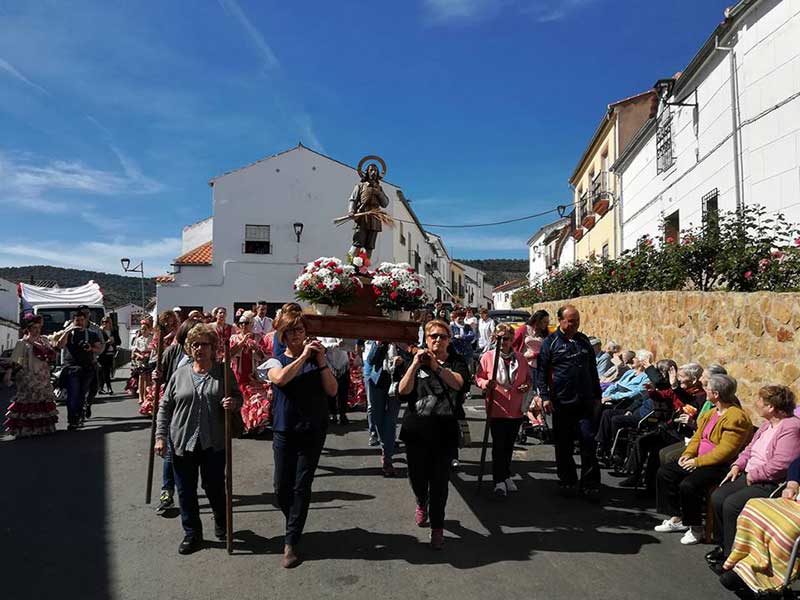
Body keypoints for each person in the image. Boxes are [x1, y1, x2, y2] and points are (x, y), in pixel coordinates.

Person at [155, 324, 241, 555]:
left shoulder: (223, 372)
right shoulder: (180, 374)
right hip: (182, 441)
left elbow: (238, 396)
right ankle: (192, 533)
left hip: (214, 441)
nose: (200, 348)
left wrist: (233, 403)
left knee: (214, 487)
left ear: (213, 348)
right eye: (195, 345)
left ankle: (221, 521)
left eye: (204, 344)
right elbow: (165, 407)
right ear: (189, 348)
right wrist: (160, 437)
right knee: (185, 490)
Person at [262, 311, 337, 568]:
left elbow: (332, 390)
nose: (297, 335)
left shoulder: (317, 361)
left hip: (313, 430)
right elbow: (281, 379)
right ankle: (294, 520)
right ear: (283, 336)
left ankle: (291, 541)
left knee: (301, 485)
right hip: (284, 429)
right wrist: (303, 357)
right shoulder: (275, 361)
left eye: (301, 330)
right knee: (281, 487)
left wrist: (321, 360)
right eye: (292, 331)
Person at [654, 374, 752, 545]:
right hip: (699, 459)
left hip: (719, 465)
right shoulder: (711, 413)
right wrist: (688, 455)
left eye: (708, 388)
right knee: (665, 473)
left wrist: (697, 462)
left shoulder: (736, 417)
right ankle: (677, 517)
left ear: (716, 394)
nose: (705, 390)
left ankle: (696, 527)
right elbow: (697, 437)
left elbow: (726, 451)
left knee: (689, 485)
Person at [706, 385, 800, 560]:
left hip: (769, 482)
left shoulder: (791, 427)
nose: (756, 403)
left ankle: (733, 556)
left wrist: (753, 475)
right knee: (718, 497)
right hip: (750, 474)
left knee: (732, 504)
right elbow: (749, 449)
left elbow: (781, 464)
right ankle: (724, 545)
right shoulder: (767, 424)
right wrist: (737, 465)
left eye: (760, 400)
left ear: (771, 407)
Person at [398, 319, 469, 550]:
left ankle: (437, 527)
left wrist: (436, 366)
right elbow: (402, 391)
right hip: (416, 432)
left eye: (443, 336)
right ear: (426, 339)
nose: (438, 340)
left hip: (444, 433)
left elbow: (459, 384)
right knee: (417, 478)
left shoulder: (457, 362)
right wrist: (414, 365)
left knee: (439, 483)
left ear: (449, 340)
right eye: (433, 336)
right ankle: (421, 500)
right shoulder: (414, 360)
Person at [536, 305, 602, 496]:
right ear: (561, 321)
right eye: (571, 321)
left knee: (588, 441)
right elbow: (541, 373)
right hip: (562, 402)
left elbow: (593, 370)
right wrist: (545, 397)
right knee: (564, 445)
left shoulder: (583, 341)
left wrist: (597, 396)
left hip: (585, 402)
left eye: (577, 321)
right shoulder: (551, 343)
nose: (575, 324)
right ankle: (567, 480)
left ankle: (590, 484)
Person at [720, 455, 800, 594]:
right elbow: (796, 463)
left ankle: (775, 579)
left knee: (788, 528)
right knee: (753, 506)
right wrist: (792, 485)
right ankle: (746, 563)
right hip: (795, 500)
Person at [476, 323, 532, 497]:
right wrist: (486, 384)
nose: (503, 342)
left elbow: (529, 379)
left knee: (509, 446)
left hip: (515, 408)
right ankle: (498, 480)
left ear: (512, 339)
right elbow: (478, 377)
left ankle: (506, 475)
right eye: (499, 338)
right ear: (494, 338)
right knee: (499, 446)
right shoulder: (488, 357)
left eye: (506, 338)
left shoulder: (521, 358)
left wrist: (526, 385)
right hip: (497, 408)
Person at [154, 319, 201, 514]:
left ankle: (189, 488)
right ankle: (167, 490)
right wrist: (157, 376)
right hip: (176, 408)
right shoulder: (173, 351)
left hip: (198, 411)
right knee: (171, 452)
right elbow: (161, 373)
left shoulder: (206, 352)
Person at [4, 315, 58, 437]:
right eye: (34, 328)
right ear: (28, 329)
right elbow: (16, 361)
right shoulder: (22, 343)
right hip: (28, 377)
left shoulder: (44, 340)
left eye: (39, 327)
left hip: (43, 376)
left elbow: (52, 355)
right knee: (28, 402)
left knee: (42, 401)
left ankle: (43, 428)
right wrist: (9, 374)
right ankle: (27, 430)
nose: (37, 330)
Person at [54, 311, 103, 429]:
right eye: (77, 320)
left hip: (87, 368)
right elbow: (59, 345)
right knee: (72, 394)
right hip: (72, 368)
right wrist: (67, 331)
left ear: (86, 321)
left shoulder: (91, 334)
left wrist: (91, 348)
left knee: (81, 394)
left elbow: (99, 349)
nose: (79, 323)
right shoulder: (69, 334)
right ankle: (72, 420)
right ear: (73, 321)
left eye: (82, 320)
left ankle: (79, 415)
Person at [366, 341, 408, 477]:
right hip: (377, 382)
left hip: (396, 383)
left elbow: (411, 359)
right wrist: (380, 344)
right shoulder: (379, 340)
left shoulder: (403, 341)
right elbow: (371, 360)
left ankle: (387, 457)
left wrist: (402, 361)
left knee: (390, 421)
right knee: (377, 419)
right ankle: (385, 446)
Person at [230, 311, 271, 434]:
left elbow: (264, 356)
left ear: (252, 324)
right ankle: (242, 426)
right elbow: (230, 353)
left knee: (256, 399)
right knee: (242, 400)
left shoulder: (258, 337)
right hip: (238, 374)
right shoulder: (234, 338)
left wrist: (256, 348)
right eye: (241, 323)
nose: (243, 325)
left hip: (253, 374)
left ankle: (255, 424)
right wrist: (242, 342)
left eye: (246, 323)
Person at [132, 316, 155, 407]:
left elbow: (154, 349)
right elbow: (135, 350)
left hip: (150, 359)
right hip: (141, 360)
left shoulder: (152, 338)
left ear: (149, 329)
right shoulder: (138, 339)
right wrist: (140, 356)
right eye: (142, 329)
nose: (143, 331)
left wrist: (149, 355)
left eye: (145, 329)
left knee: (148, 379)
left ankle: (147, 396)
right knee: (141, 378)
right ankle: (141, 396)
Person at [97, 316, 120, 395]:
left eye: (106, 322)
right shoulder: (100, 331)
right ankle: (108, 388)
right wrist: (107, 342)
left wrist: (114, 341)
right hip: (102, 353)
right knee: (104, 371)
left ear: (110, 323)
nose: (104, 323)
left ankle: (102, 388)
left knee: (107, 371)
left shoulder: (113, 331)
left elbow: (119, 341)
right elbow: (99, 343)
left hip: (111, 353)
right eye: (103, 322)